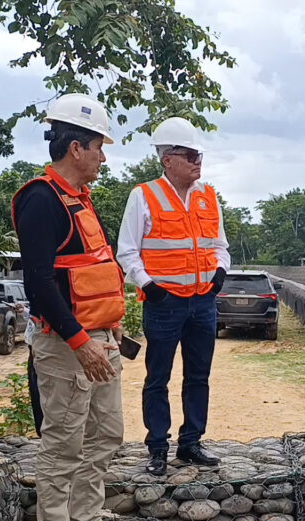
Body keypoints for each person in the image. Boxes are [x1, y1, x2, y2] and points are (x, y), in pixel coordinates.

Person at [12, 93, 139, 521]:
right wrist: (80, 342)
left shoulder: (80, 200)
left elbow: (91, 270)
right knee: (62, 443)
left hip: (100, 339)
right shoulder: (41, 200)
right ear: (76, 149)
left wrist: (109, 326)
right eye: (98, 148)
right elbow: (40, 283)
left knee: (107, 432)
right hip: (67, 347)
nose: (103, 157)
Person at [116, 117, 230, 476]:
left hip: (203, 302)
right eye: (190, 155)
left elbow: (220, 246)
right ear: (168, 159)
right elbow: (127, 251)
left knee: (199, 375)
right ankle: (157, 447)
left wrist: (220, 274)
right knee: (157, 377)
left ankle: (191, 442)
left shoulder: (208, 196)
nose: (198, 161)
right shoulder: (144, 195)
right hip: (164, 304)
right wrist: (149, 286)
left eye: (199, 155)